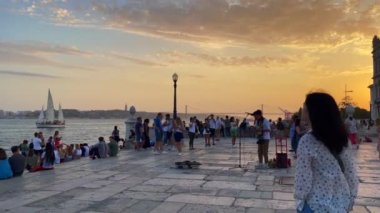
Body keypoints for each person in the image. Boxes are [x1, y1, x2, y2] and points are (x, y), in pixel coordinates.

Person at [294, 92, 359, 212]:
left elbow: (303, 177)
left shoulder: (307, 141)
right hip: (341, 204)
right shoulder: (343, 139)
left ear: (313, 112)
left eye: (305, 106)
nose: (302, 109)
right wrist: (351, 197)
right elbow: (351, 172)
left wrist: (299, 200)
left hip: (315, 205)